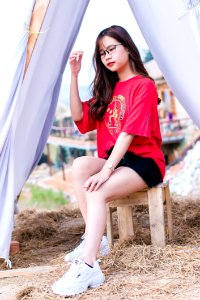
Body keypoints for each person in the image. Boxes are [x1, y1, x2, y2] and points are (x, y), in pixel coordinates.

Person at [52, 25, 166, 296]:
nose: (107, 56)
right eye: (102, 52)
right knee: (80, 165)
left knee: (98, 189)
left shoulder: (144, 85)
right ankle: (95, 241)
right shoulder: (109, 89)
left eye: (112, 48)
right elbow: (80, 116)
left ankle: (88, 265)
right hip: (117, 160)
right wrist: (74, 75)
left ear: (127, 47)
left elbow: (127, 133)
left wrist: (106, 170)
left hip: (143, 161)